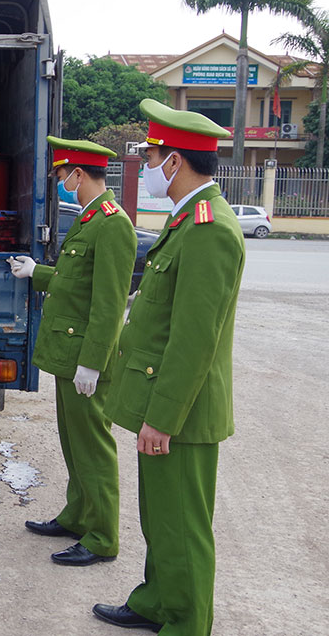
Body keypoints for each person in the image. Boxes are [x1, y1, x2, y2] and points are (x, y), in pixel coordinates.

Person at [92, 99, 244, 635]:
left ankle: (185, 622)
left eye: (152, 155)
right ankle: (157, 601)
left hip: (182, 411)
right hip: (163, 404)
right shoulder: (186, 223)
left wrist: (164, 418)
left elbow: (193, 342)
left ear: (175, 162)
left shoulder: (211, 230)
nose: (148, 164)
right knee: (161, 518)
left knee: (182, 525)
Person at [9, 137, 136, 567]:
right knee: (73, 442)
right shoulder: (88, 220)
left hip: (85, 359)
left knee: (93, 447)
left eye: (63, 175)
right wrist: (37, 273)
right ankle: (78, 515)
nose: (61, 183)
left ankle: (101, 536)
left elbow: (109, 302)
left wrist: (92, 362)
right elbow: (75, 280)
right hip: (69, 354)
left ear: (79, 174)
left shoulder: (112, 224)